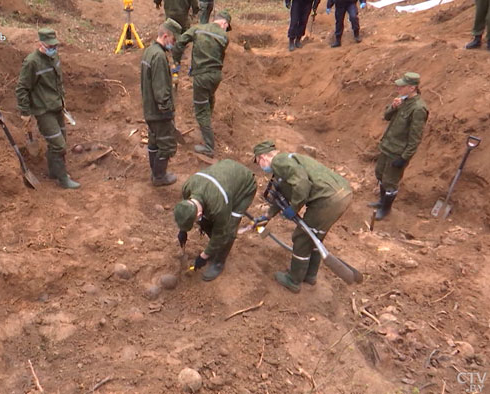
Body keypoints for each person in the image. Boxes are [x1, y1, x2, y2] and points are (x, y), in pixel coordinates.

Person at [253, 141, 352, 293]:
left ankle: (294, 280)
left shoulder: (279, 161)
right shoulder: (289, 163)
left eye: (258, 161)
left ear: (263, 157)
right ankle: (310, 275)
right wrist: (267, 216)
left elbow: (302, 184)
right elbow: (285, 196)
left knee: (302, 237)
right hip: (342, 194)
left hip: (328, 199)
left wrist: (294, 208)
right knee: (315, 236)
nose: (260, 166)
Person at [15, 28, 80, 189]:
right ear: (40, 44)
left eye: (55, 46)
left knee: (61, 140)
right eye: (50, 47)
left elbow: (58, 82)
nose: (53, 49)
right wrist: (25, 112)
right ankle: (63, 179)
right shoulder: (32, 62)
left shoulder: (54, 57)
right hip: (43, 110)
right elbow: (22, 88)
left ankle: (54, 171)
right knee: (59, 145)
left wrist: (63, 102)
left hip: (57, 106)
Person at [174, 159, 256, 281]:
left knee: (228, 230)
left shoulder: (219, 208)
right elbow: (185, 211)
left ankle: (218, 263)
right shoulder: (188, 187)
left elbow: (221, 232)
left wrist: (204, 256)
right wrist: (183, 230)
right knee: (206, 222)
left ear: (199, 213)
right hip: (225, 176)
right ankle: (215, 247)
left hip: (245, 185)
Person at [172, 10, 232, 158]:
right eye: (227, 26)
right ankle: (207, 128)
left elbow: (180, 41)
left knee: (200, 110)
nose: (226, 29)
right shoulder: (224, 37)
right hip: (216, 76)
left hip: (201, 76)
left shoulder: (198, 28)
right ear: (224, 23)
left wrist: (177, 61)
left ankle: (209, 146)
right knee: (210, 98)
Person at [369, 72, 428, 220]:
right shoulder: (402, 101)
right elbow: (386, 117)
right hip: (388, 146)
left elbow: (415, 137)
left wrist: (404, 157)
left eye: (402, 86)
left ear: (412, 88)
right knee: (380, 174)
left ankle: (386, 209)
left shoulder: (418, 109)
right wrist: (393, 107)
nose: (398, 89)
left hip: (398, 152)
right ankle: (381, 202)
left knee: (390, 182)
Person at [141, 19, 183, 186]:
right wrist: (167, 111)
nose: (174, 44)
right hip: (159, 112)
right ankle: (159, 176)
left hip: (149, 108)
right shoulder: (158, 56)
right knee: (165, 144)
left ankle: (155, 173)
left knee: (154, 140)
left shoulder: (149, 51)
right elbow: (160, 88)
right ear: (166, 36)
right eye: (174, 40)